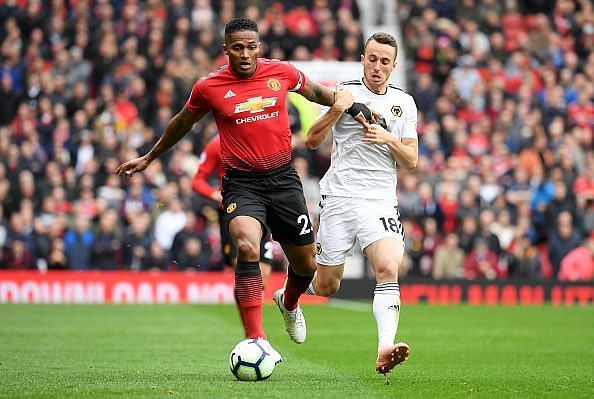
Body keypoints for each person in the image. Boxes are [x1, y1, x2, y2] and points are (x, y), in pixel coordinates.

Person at [115, 18, 371, 362]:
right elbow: (182, 122)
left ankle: (289, 301)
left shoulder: (281, 72)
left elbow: (321, 94)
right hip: (241, 184)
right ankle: (256, 338)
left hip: (283, 180)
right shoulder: (209, 86)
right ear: (226, 50)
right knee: (248, 247)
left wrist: (357, 109)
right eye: (238, 47)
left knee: (307, 265)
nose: (245, 54)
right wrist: (150, 156)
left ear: (259, 47)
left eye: (251, 46)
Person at [303, 32, 419, 376]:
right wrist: (337, 109)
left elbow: (411, 159)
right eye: (372, 58)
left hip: (380, 200)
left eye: (385, 61)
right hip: (340, 197)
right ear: (363, 58)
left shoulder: (404, 103)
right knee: (327, 286)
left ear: (394, 66)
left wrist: (388, 138)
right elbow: (311, 141)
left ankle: (385, 347)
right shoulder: (344, 92)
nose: (378, 66)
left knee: (387, 266)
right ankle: (290, 291)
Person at [191, 134, 275, 335]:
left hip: (262, 208)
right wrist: (216, 196)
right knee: (245, 268)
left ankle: (252, 327)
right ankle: (253, 331)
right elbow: (197, 180)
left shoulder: (257, 136)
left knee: (262, 278)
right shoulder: (215, 144)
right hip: (232, 212)